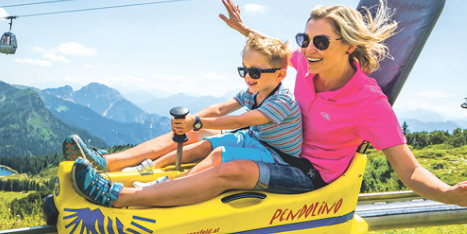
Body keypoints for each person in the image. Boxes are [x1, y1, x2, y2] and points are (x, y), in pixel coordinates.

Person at [66, 0, 467, 209]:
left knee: (233, 168)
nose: (308, 48)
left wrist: (451, 194)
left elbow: (408, 170)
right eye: (305, 38)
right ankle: (106, 161)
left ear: (348, 45)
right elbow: (274, 53)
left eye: (320, 41)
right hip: (274, 145)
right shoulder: (306, 64)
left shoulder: (370, 103)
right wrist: (244, 30)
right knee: (199, 133)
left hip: (308, 173)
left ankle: (121, 198)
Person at [66, 35, 313, 205]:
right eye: (244, 69)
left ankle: (167, 186)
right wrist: (190, 120)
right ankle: (131, 166)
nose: (247, 76)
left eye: (254, 71)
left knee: (217, 155)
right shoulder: (254, 90)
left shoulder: (283, 101)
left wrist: (197, 123)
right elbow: (218, 109)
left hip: (277, 156)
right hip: (255, 139)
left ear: (280, 74)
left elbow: (241, 120)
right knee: (203, 146)